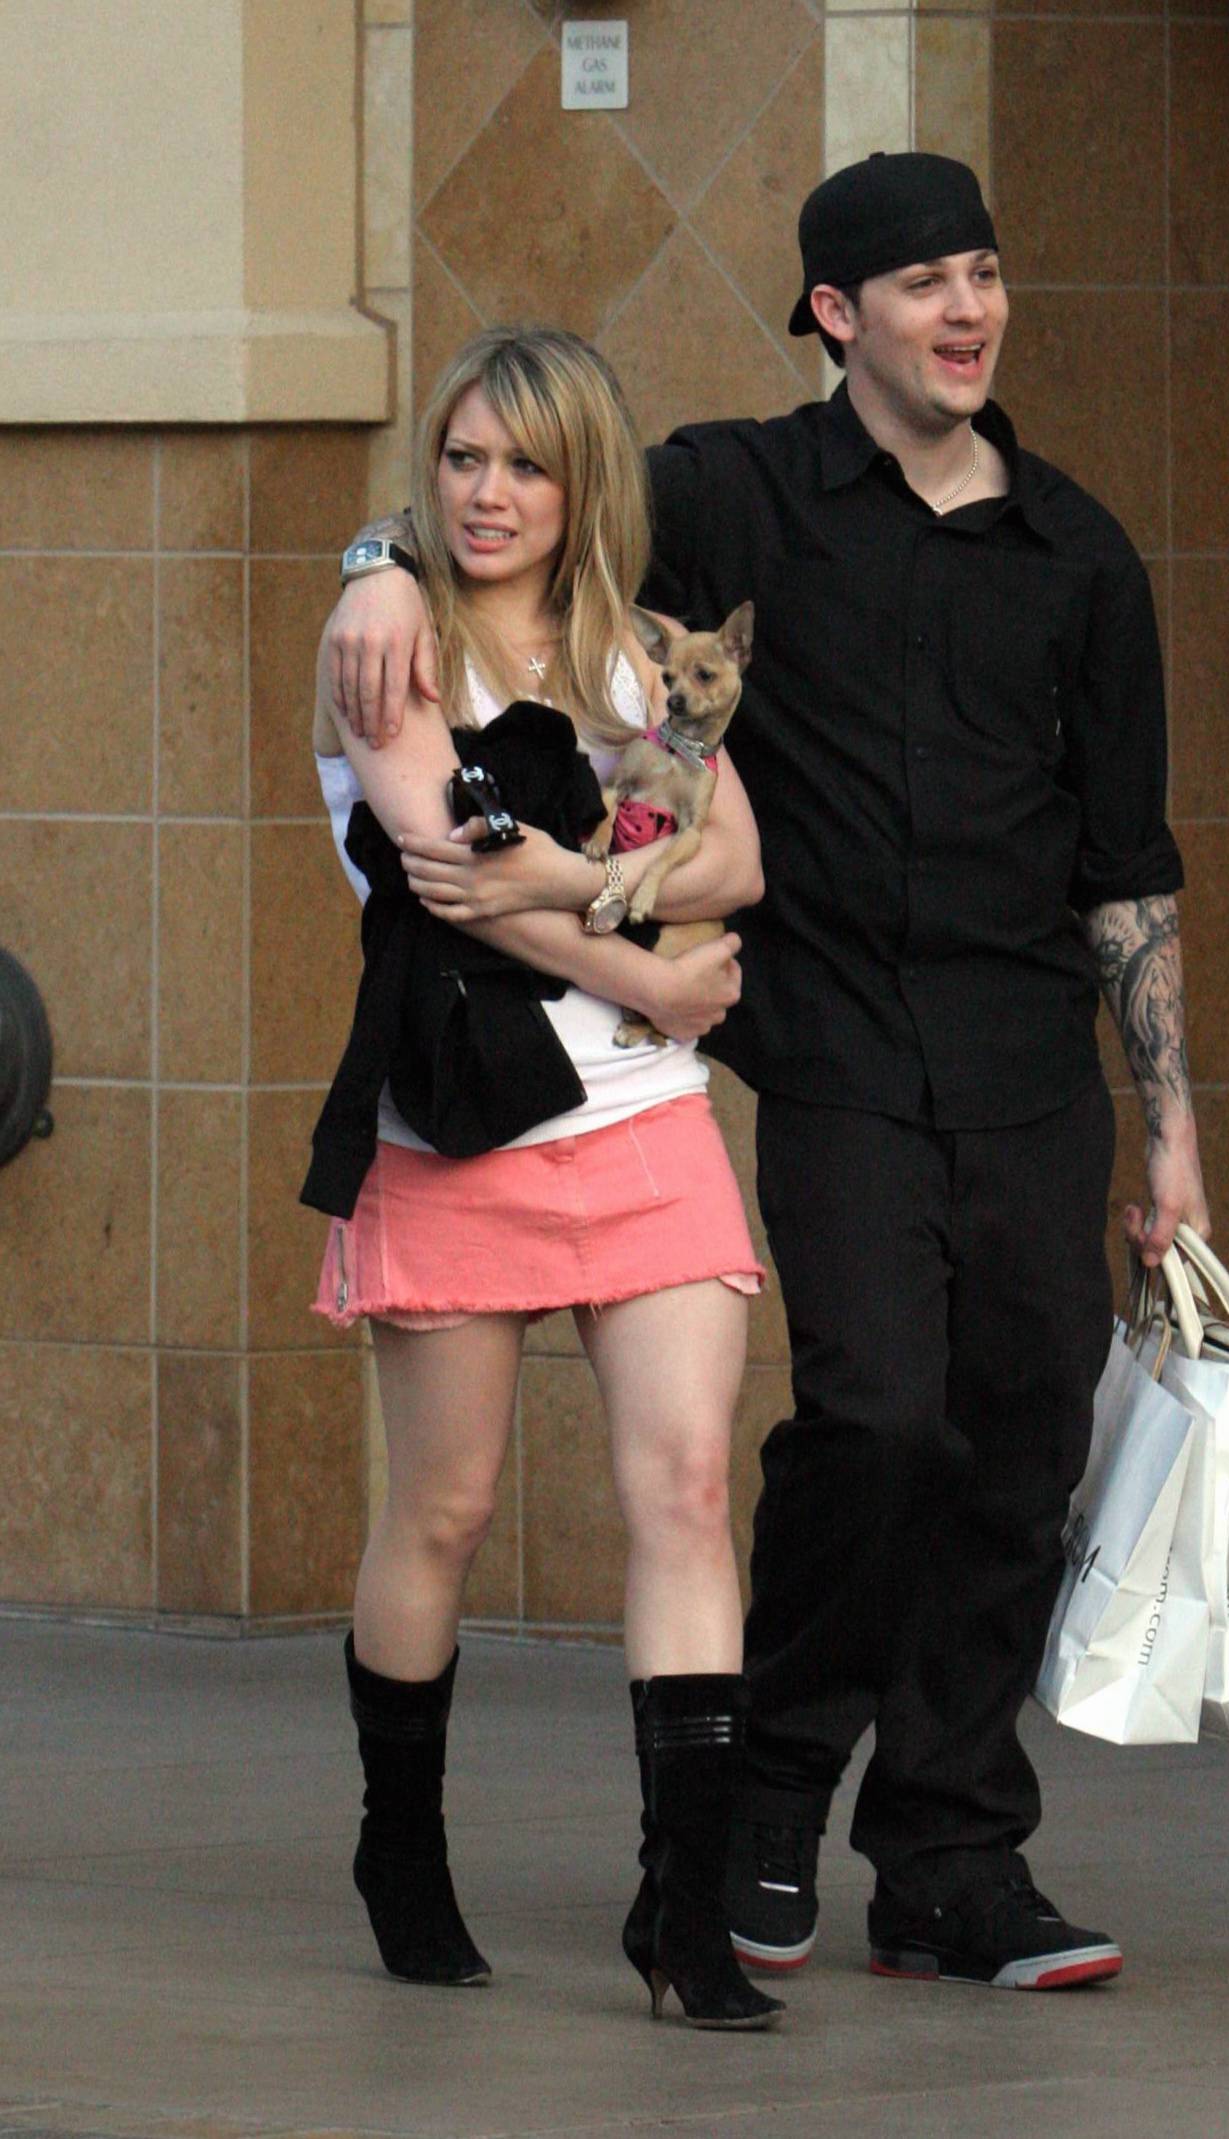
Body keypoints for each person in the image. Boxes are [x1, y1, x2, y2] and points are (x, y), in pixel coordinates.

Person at [324, 153, 1211, 1998]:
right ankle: (765, 1802)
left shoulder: (1080, 551)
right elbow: (523, 493)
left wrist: (1172, 1132)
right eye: (924, 283)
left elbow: (1126, 860)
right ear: (834, 315)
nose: (965, 310)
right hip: (823, 1052)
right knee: (872, 1423)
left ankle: (952, 1857)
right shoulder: (733, 493)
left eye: (983, 274)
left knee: (1018, 1450)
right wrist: (371, 567)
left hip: (1025, 1061)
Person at [310, 324, 782, 2029]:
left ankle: (685, 1914)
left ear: (583, 483)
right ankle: (400, 1845)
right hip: (463, 1126)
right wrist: (651, 964)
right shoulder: (385, 641)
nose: (487, 493)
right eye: (460, 459)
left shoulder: (636, 658)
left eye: (523, 462)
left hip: (644, 1124)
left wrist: (578, 889)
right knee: (443, 1511)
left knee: (685, 1493)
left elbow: (737, 854)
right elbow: (453, 876)